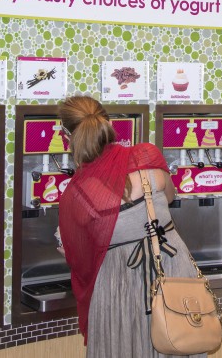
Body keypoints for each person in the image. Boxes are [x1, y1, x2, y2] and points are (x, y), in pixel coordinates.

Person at [56, 96, 208, 358]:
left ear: (66, 136)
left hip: (119, 283)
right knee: (181, 341)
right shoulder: (146, 155)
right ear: (109, 123)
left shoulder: (77, 194)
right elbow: (169, 198)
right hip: (172, 267)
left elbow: (77, 258)